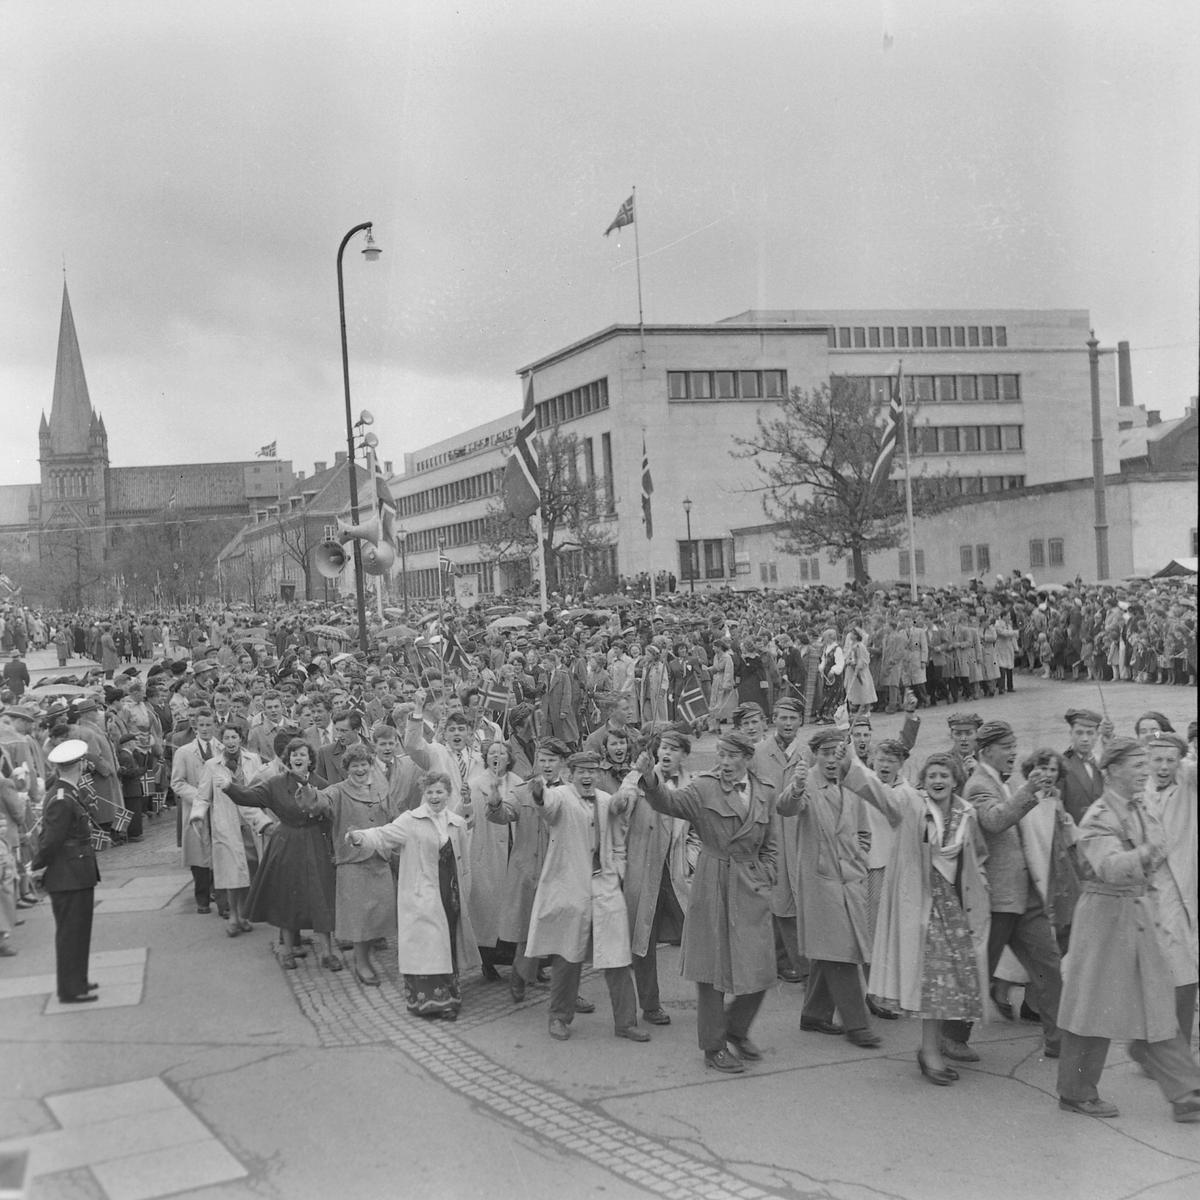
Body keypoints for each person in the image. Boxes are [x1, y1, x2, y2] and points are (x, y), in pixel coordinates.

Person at [1056, 738, 1200, 1123]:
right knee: (1092, 1007)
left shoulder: (1140, 806)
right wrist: (1145, 854)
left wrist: (1148, 854)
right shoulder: (1098, 816)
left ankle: (1186, 1093)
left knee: (1158, 1002)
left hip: (1138, 912)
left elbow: (1158, 847)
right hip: (1104, 916)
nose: (1145, 770)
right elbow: (1110, 867)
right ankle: (1076, 1092)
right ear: (1112, 771)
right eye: (1136, 764)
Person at [636, 731, 778, 1073]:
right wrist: (650, 777)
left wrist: (767, 873)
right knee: (712, 971)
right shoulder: (704, 788)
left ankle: (736, 1028)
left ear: (747, 759)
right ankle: (714, 1047)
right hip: (713, 882)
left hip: (750, 885)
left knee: (761, 965)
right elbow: (668, 803)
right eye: (721, 755)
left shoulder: (765, 791)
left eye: (732, 756)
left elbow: (771, 844)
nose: (724, 762)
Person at [860, 749, 989, 1084]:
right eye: (931, 776)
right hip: (920, 904)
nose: (937, 781)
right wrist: (849, 765)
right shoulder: (912, 804)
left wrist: (979, 890)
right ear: (923, 782)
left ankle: (932, 1049)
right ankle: (930, 1052)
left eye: (944, 775)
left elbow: (977, 857)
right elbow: (878, 793)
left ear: (956, 781)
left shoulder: (967, 814)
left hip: (954, 908)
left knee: (948, 982)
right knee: (934, 980)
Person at [942, 721, 1064, 1064]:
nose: (1014, 752)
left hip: (1023, 895)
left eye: (1014, 745)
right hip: (995, 898)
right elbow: (994, 821)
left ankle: (1059, 1040)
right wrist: (1029, 790)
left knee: (1049, 965)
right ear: (986, 751)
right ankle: (951, 1037)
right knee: (979, 970)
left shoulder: (1002, 781)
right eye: (1007, 747)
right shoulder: (978, 785)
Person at [525, 750, 646, 1043]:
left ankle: (626, 1023)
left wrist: (617, 871)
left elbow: (618, 841)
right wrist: (539, 793)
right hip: (570, 885)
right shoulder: (561, 797)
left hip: (605, 885)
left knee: (617, 955)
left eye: (593, 771)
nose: (588, 776)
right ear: (570, 774)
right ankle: (559, 1017)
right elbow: (547, 807)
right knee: (567, 955)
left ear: (599, 774)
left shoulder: (606, 800)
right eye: (582, 771)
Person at [779, 729, 881, 1050]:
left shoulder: (852, 781)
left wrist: (859, 858)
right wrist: (796, 787)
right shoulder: (806, 782)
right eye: (825, 753)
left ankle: (813, 1014)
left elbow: (864, 831)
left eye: (838, 752)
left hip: (850, 880)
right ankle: (857, 1024)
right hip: (819, 881)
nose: (832, 760)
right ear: (815, 755)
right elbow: (785, 807)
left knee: (830, 948)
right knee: (842, 952)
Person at [349, 770, 479, 1020]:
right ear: (423, 794)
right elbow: (383, 834)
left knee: (446, 942)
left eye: (439, 792)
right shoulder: (411, 820)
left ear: (448, 794)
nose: (434, 797)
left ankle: (450, 997)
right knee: (428, 944)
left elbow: (464, 861)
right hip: (421, 894)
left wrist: (464, 890)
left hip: (449, 893)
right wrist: (360, 837)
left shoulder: (456, 823)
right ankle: (431, 1001)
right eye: (429, 792)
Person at [221, 739, 339, 971]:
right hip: (286, 844)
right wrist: (229, 787)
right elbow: (249, 797)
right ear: (287, 759)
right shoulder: (275, 784)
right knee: (287, 898)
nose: (298, 758)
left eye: (303, 754)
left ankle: (327, 954)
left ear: (310, 759)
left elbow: (330, 816)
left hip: (315, 843)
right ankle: (288, 953)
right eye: (294, 754)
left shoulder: (321, 784)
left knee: (320, 897)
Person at [613, 730, 695, 1026]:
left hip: (676, 873)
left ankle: (711, 1000)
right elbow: (623, 804)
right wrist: (622, 801)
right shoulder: (637, 777)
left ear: (684, 756)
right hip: (645, 870)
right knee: (643, 941)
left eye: (674, 749)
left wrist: (691, 858)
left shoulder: (691, 785)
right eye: (664, 748)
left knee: (698, 934)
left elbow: (697, 829)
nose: (667, 753)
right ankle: (650, 1005)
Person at [486, 738, 562, 1003]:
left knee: (562, 932)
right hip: (529, 870)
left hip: (559, 871)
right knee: (527, 930)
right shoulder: (522, 790)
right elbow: (503, 814)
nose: (547, 765)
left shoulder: (570, 792)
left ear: (562, 763)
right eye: (542, 760)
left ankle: (564, 990)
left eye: (552, 760)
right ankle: (519, 978)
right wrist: (495, 803)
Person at [323, 743, 401, 985]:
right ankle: (361, 963)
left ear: (370, 765)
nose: (360, 770)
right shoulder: (337, 791)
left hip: (379, 860)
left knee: (377, 914)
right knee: (359, 916)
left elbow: (395, 819)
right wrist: (306, 790)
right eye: (355, 766)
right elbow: (318, 802)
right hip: (352, 862)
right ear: (347, 768)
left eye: (364, 765)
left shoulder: (380, 790)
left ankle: (366, 957)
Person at [32, 740, 100, 1003]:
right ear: (80, 765)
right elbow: (51, 841)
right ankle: (70, 989)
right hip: (68, 873)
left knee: (79, 930)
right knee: (71, 932)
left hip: (75, 871)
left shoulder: (67, 792)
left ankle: (78, 980)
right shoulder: (63, 797)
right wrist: (37, 867)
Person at [190, 724, 270, 937]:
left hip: (252, 823)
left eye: (234, 737)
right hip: (226, 824)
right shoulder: (212, 765)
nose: (231, 742)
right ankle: (233, 915)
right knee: (232, 872)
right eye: (226, 738)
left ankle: (244, 914)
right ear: (222, 741)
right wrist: (197, 815)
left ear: (241, 739)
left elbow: (263, 788)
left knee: (249, 870)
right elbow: (202, 795)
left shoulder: (253, 760)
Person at [469, 740, 521, 982]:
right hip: (487, 853)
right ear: (485, 758)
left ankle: (523, 963)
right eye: (491, 753)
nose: (496, 757)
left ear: (509, 759)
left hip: (513, 849)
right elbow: (467, 818)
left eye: (501, 753)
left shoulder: (518, 783)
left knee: (516, 908)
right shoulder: (475, 784)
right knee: (488, 910)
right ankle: (487, 962)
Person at [170, 706, 222, 916]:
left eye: (208, 725)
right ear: (195, 726)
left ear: (215, 725)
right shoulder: (184, 752)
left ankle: (220, 896)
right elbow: (177, 782)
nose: (205, 729)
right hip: (196, 809)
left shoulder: (222, 749)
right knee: (198, 854)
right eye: (201, 725)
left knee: (220, 850)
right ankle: (202, 898)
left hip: (219, 807)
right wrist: (200, 796)